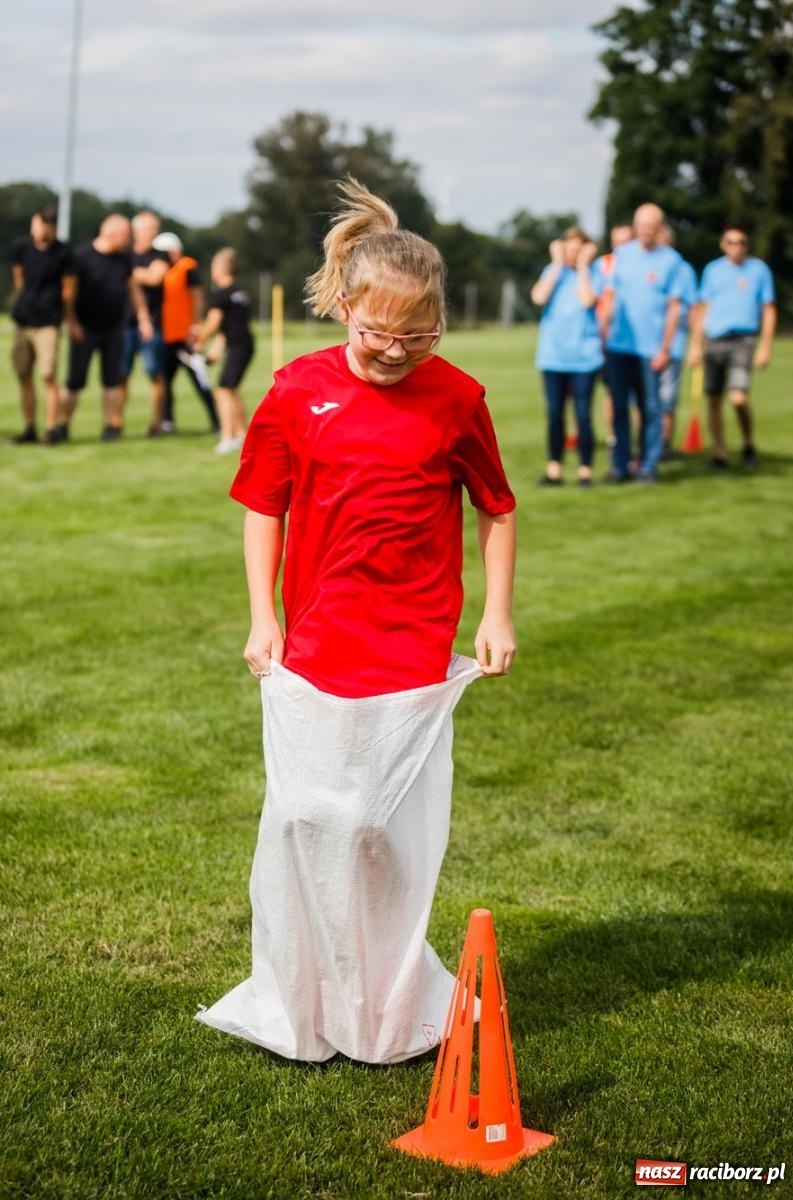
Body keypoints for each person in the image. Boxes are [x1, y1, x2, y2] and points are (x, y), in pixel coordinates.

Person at [196, 178, 517, 1065]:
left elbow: (497, 506)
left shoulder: (456, 398)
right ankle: (300, 995)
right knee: (304, 817)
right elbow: (263, 504)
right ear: (344, 307)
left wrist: (496, 613)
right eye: (379, 334)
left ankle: (387, 1001)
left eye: (419, 337)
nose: (397, 351)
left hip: (413, 643)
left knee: (379, 829)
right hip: (315, 641)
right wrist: (261, 617)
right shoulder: (298, 390)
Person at [604, 203, 683, 483]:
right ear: (636, 226)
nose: (646, 231)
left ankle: (648, 466)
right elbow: (610, 296)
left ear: (660, 228)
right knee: (620, 407)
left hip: (651, 350)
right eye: (642, 225)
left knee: (651, 409)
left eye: (652, 226)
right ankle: (620, 465)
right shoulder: (621, 255)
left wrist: (665, 348)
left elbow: (674, 307)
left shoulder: (672, 260)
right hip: (619, 346)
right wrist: (604, 330)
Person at [688, 224, 776, 471]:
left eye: (741, 243)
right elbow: (703, 308)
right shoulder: (712, 271)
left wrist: (765, 346)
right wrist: (695, 344)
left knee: (738, 397)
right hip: (715, 340)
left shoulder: (759, 270)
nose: (736, 247)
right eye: (731, 242)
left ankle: (748, 442)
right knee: (714, 399)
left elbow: (768, 309)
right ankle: (720, 452)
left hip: (743, 340)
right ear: (723, 244)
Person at [60, 214, 151, 442]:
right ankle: (62, 425)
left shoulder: (124, 258)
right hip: (85, 328)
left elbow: (133, 289)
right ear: (111, 234)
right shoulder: (81, 256)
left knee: (112, 379)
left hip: (113, 328)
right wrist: (72, 322)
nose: (129, 240)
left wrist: (143, 317)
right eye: (126, 236)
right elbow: (69, 293)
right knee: (75, 380)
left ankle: (111, 426)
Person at [531, 225, 603, 487]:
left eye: (578, 249)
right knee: (555, 414)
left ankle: (585, 470)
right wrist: (557, 264)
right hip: (553, 357)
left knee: (583, 414)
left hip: (584, 358)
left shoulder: (593, 273)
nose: (573, 254)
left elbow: (587, 300)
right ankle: (555, 470)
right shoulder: (553, 272)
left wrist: (584, 265)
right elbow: (539, 296)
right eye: (569, 249)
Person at [9, 205, 76, 445]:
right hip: (23, 321)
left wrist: (69, 320)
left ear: (53, 228)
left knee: (47, 374)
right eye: (37, 225)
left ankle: (51, 429)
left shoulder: (63, 253)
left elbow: (68, 290)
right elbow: (19, 279)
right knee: (23, 374)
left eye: (45, 226)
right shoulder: (21, 247)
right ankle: (29, 428)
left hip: (48, 321)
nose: (40, 230)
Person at [153, 232, 219, 433]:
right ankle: (167, 421)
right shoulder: (164, 271)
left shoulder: (187, 268)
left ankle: (217, 421)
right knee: (165, 381)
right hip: (168, 336)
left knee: (200, 381)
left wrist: (195, 325)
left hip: (185, 337)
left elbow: (197, 296)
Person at [195, 248, 254, 454]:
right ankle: (242, 434)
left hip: (239, 346)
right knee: (231, 389)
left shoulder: (221, 295)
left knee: (223, 390)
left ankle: (228, 437)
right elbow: (227, 329)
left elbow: (213, 324)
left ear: (220, 268)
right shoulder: (240, 293)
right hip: (243, 344)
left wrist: (199, 340)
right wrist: (215, 352)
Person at [120, 211, 170, 437]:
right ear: (135, 231)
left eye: (155, 228)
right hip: (124, 324)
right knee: (120, 375)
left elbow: (155, 278)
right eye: (148, 228)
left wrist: (128, 274)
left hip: (154, 325)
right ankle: (116, 422)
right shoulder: (124, 254)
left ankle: (156, 424)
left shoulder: (161, 255)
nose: (153, 233)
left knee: (156, 374)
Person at [657, 224, 698, 458]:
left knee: (666, 398)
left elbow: (693, 307)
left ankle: (664, 443)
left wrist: (695, 344)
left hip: (674, 344)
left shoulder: (683, 269)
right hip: (646, 346)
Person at [596, 224, 634, 453]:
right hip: (609, 340)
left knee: (639, 398)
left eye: (626, 241)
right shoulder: (602, 265)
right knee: (612, 392)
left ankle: (636, 442)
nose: (621, 247)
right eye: (617, 241)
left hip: (638, 343)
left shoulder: (641, 264)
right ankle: (614, 439)